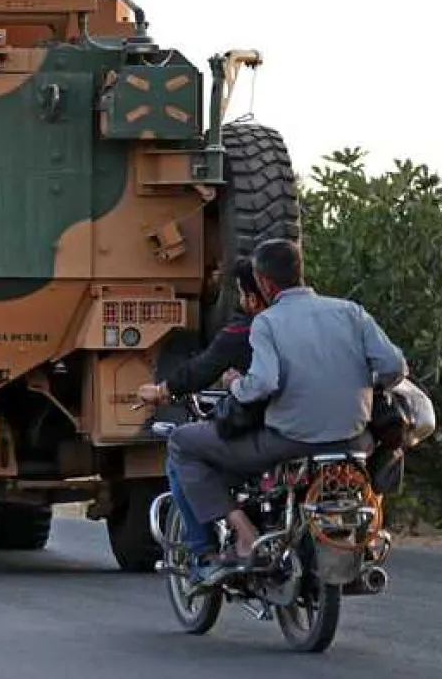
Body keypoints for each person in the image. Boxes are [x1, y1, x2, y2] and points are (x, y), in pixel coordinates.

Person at [163, 238, 407, 584]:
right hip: (354, 441)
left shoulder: (268, 323)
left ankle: (245, 534)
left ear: (264, 283)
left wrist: (235, 384)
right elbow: (394, 366)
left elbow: (262, 384)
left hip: (290, 441)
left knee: (181, 443)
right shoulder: (350, 312)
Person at [137, 257, 269, 565]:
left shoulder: (250, 331)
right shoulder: (340, 317)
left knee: (182, 446)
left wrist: (161, 391)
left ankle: (206, 553)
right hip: (343, 435)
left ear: (253, 295)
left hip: (271, 436)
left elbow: (202, 369)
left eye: (239, 292)